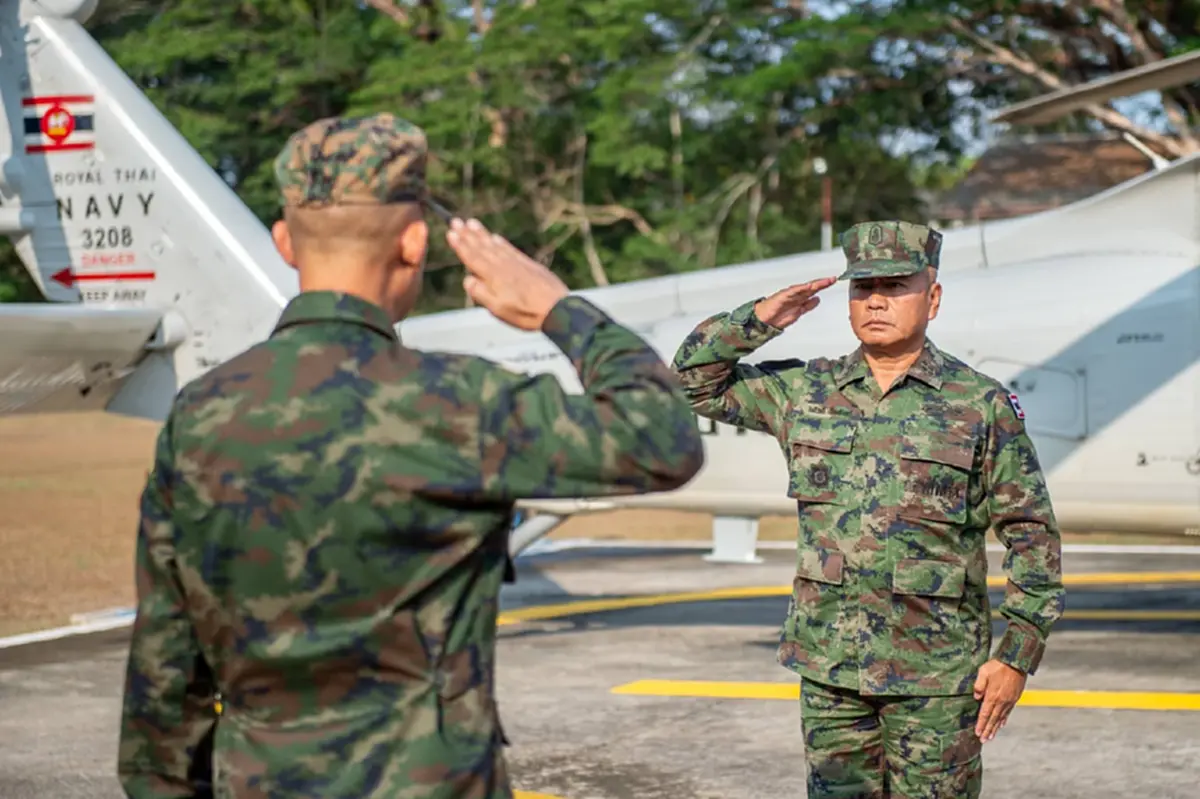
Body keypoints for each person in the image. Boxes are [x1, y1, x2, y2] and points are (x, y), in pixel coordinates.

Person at [116, 112, 706, 799]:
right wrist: (557, 307)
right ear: (416, 241)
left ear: (284, 242)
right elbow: (662, 435)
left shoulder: (202, 413)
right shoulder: (459, 401)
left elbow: (164, 660)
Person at [670, 220, 1065, 798]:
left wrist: (1017, 656)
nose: (875, 299)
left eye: (896, 285)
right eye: (861, 287)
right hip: (830, 673)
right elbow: (688, 383)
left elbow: (1032, 534)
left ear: (932, 298)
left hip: (938, 679)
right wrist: (759, 319)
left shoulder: (978, 404)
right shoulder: (807, 392)